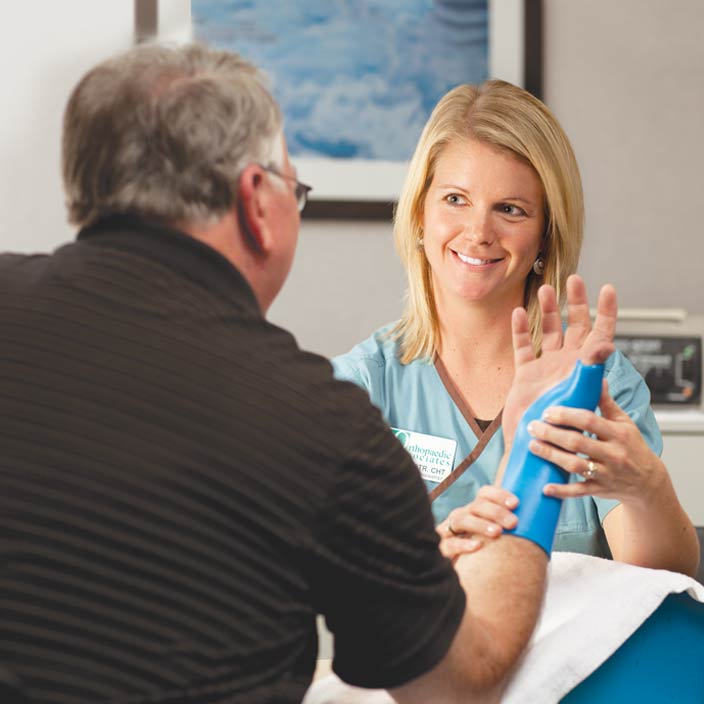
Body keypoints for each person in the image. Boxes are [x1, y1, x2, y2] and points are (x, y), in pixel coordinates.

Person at [0, 43, 620, 703]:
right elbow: (462, 681)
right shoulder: (318, 421)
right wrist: (530, 465)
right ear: (256, 202)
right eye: (293, 189)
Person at [333, 80, 700, 576]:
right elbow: (327, 570)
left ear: (546, 234)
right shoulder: (361, 387)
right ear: (420, 212)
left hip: (573, 631)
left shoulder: (595, 382)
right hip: (424, 629)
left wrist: (645, 488)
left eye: (510, 209)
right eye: (456, 199)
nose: (478, 232)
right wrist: (431, 554)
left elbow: (659, 574)